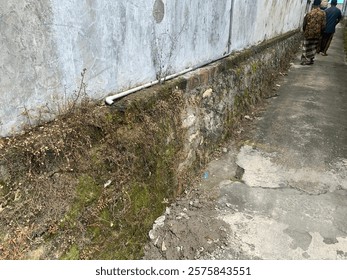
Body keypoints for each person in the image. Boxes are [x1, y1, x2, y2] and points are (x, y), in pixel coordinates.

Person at [301, 0, 326, 65]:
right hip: (317, 33)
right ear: (319, 4)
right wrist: (321, 33)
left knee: (306, 46)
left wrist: (304, 31)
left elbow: (304, 23)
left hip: (308, 32)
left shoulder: (309, 13)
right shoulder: (322, 14)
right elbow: (323, 25)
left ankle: (304, 60)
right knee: (313, 46)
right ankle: (310, 59)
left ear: (313, 5)